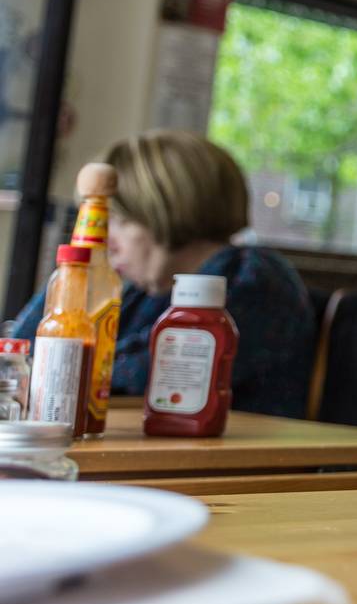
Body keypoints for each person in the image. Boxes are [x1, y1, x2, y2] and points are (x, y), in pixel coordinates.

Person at [12, 130, 317, 418]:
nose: (104, 241)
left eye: (116, 220)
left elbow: (135, 378)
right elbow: (23, 359)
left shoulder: (253, 280)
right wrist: (75, 274)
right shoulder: (147, 289)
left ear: (167, 209)